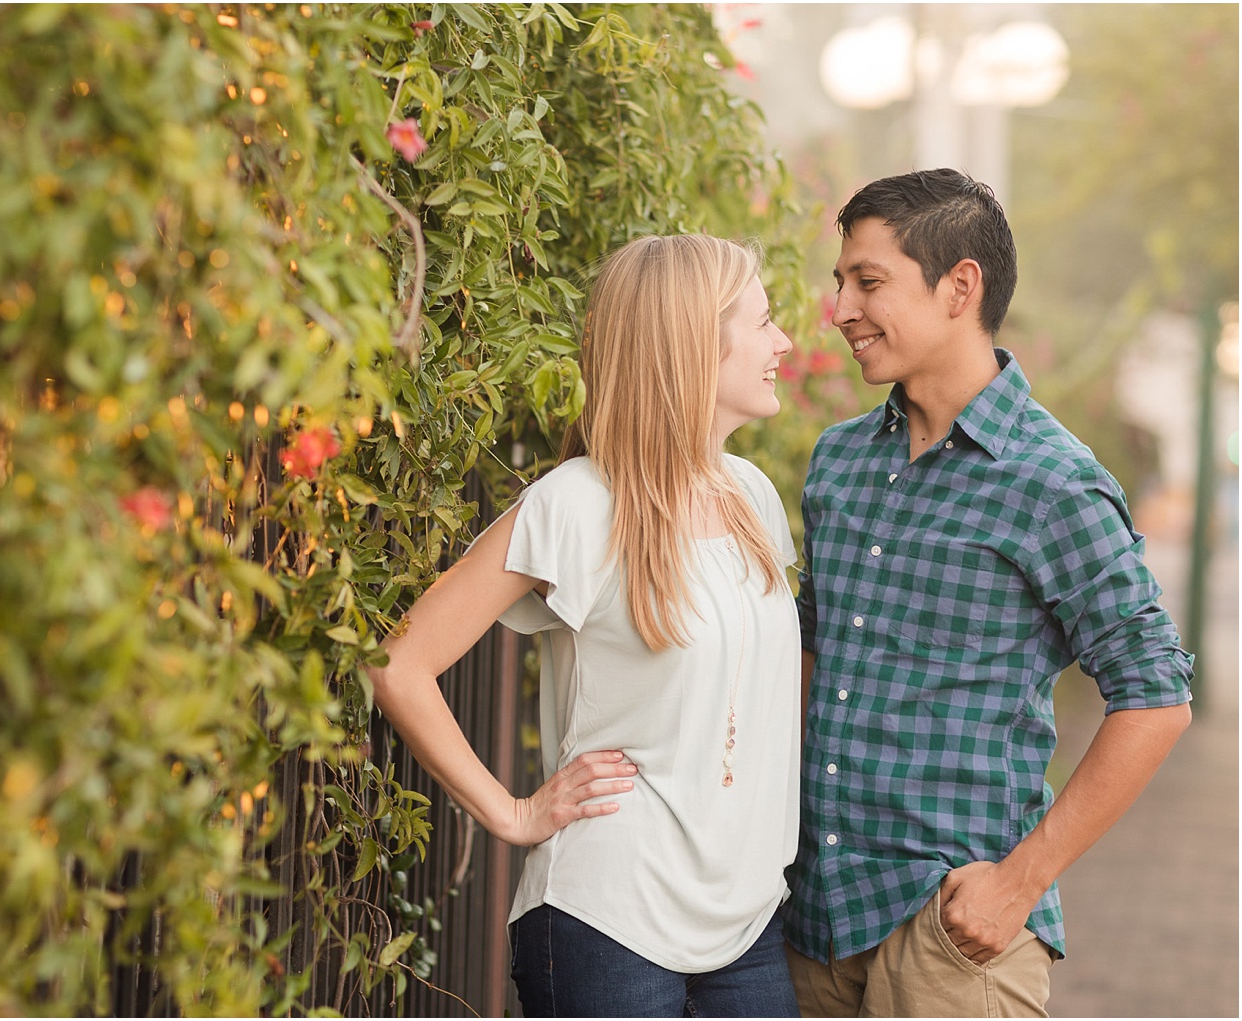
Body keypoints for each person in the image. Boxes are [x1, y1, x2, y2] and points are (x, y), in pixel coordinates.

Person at [784, 168, 1194, 1018]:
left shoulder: (1053, 483)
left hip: (950, 935)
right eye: (840, 284)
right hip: (809, 920)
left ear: (958, 287)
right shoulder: (838, 461)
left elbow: (1156, 697)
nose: (840, 311)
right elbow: (811, 656)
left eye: (869, 282)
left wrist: (1018, 882)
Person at [369, 234, 802, 1017]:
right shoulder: (576, 503)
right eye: (765, 320)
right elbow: (397, 663)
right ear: (694, 342)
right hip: (610, 919)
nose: (785, 342)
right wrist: (514, 813)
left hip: (747, 925)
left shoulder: (753, 497)